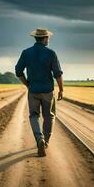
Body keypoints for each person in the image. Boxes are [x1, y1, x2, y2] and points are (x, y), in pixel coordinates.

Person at [15, 28, 63, 157]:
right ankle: (45, 141)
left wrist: (27, 84)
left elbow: (18, 71)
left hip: (33, 90)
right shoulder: (51, 53)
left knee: (34, 116)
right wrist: (61, 89)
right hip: (47, 91)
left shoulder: (26, 53)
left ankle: (39, 139)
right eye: (48, 37)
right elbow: (57, 74)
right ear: (45, 38)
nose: (49, 40)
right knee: (49, 116)